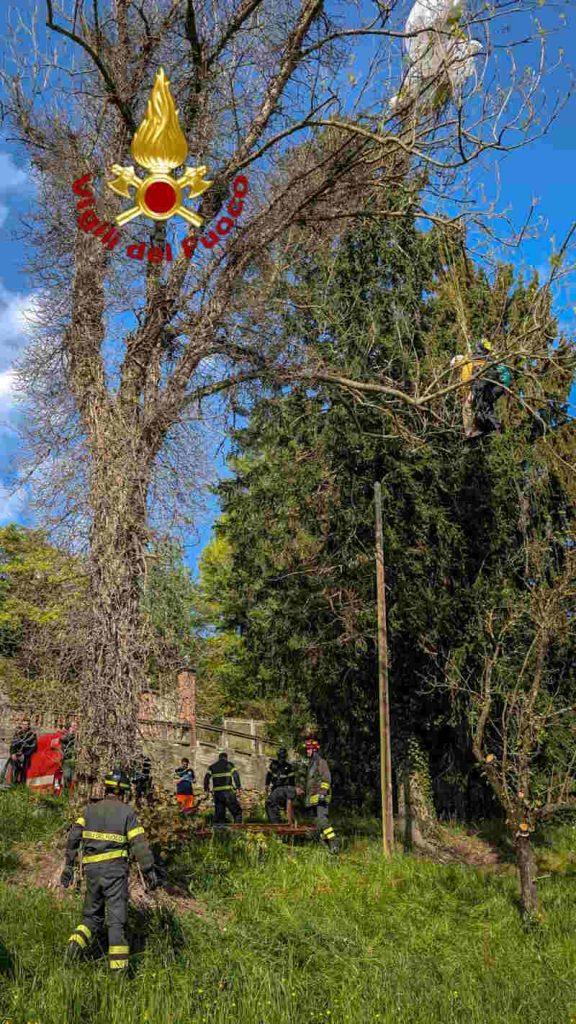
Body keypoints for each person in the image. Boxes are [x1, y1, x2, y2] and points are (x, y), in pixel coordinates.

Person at [60, 767, 158, 976]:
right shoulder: (127, 813)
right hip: (115, 875)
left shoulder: (88, 811)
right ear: (123, 791)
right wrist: (149, 870)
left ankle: (73, 948)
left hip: (92, 873)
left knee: (90, 918)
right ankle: (118, 976)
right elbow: (139, 844)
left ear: (106, 788)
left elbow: (73, 837)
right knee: (116, 923)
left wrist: (69, 866)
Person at [304, 737, 338, 853]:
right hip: (313, 799)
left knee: (323, 821)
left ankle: (334, 843)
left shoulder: (321, 762)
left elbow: (326, 778)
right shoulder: (311, 764)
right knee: (317, 823)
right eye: (307, 749)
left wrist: (323, 793)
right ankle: (325, 846)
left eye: (309, 749)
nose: (307, 751)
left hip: (321, 798)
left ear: (314, 750)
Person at [204, 751, 243, 825]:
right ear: (226, 758)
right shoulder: (229, 765)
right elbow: (235, 775)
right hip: (228, 793)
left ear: (219, 758)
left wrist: (206, 789)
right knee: (237, 812)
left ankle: (220, 833)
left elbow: (206, 778)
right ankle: (238, 831)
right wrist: (238, 787)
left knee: (220, 816)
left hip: (217, 794)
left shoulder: (212, 767)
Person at [9, 719, 38, 785]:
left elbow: (33, 746)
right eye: (23, 724)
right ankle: (14, 783)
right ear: (21, 725)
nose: (24, 726)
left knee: (24, 769)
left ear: (28, 726)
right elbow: (13, 744)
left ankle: (22, 784)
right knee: (14, 768)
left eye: (26, 724)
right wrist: (13, 753)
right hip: (16, 754)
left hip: (26, 755)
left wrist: (24, 755)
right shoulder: (17, 733)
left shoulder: (32, 734)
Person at [60, 722, 77, 793]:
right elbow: (64, 740)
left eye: (76, 726)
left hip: (75, 761)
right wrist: (71, 733)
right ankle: (65, 793)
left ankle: (73, 795)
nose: (75, 727)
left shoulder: (79, 737)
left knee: (74, 779)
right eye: (73, 726)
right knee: (67, 777)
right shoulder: (65, 736)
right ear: (69, 728)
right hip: (67, 760)